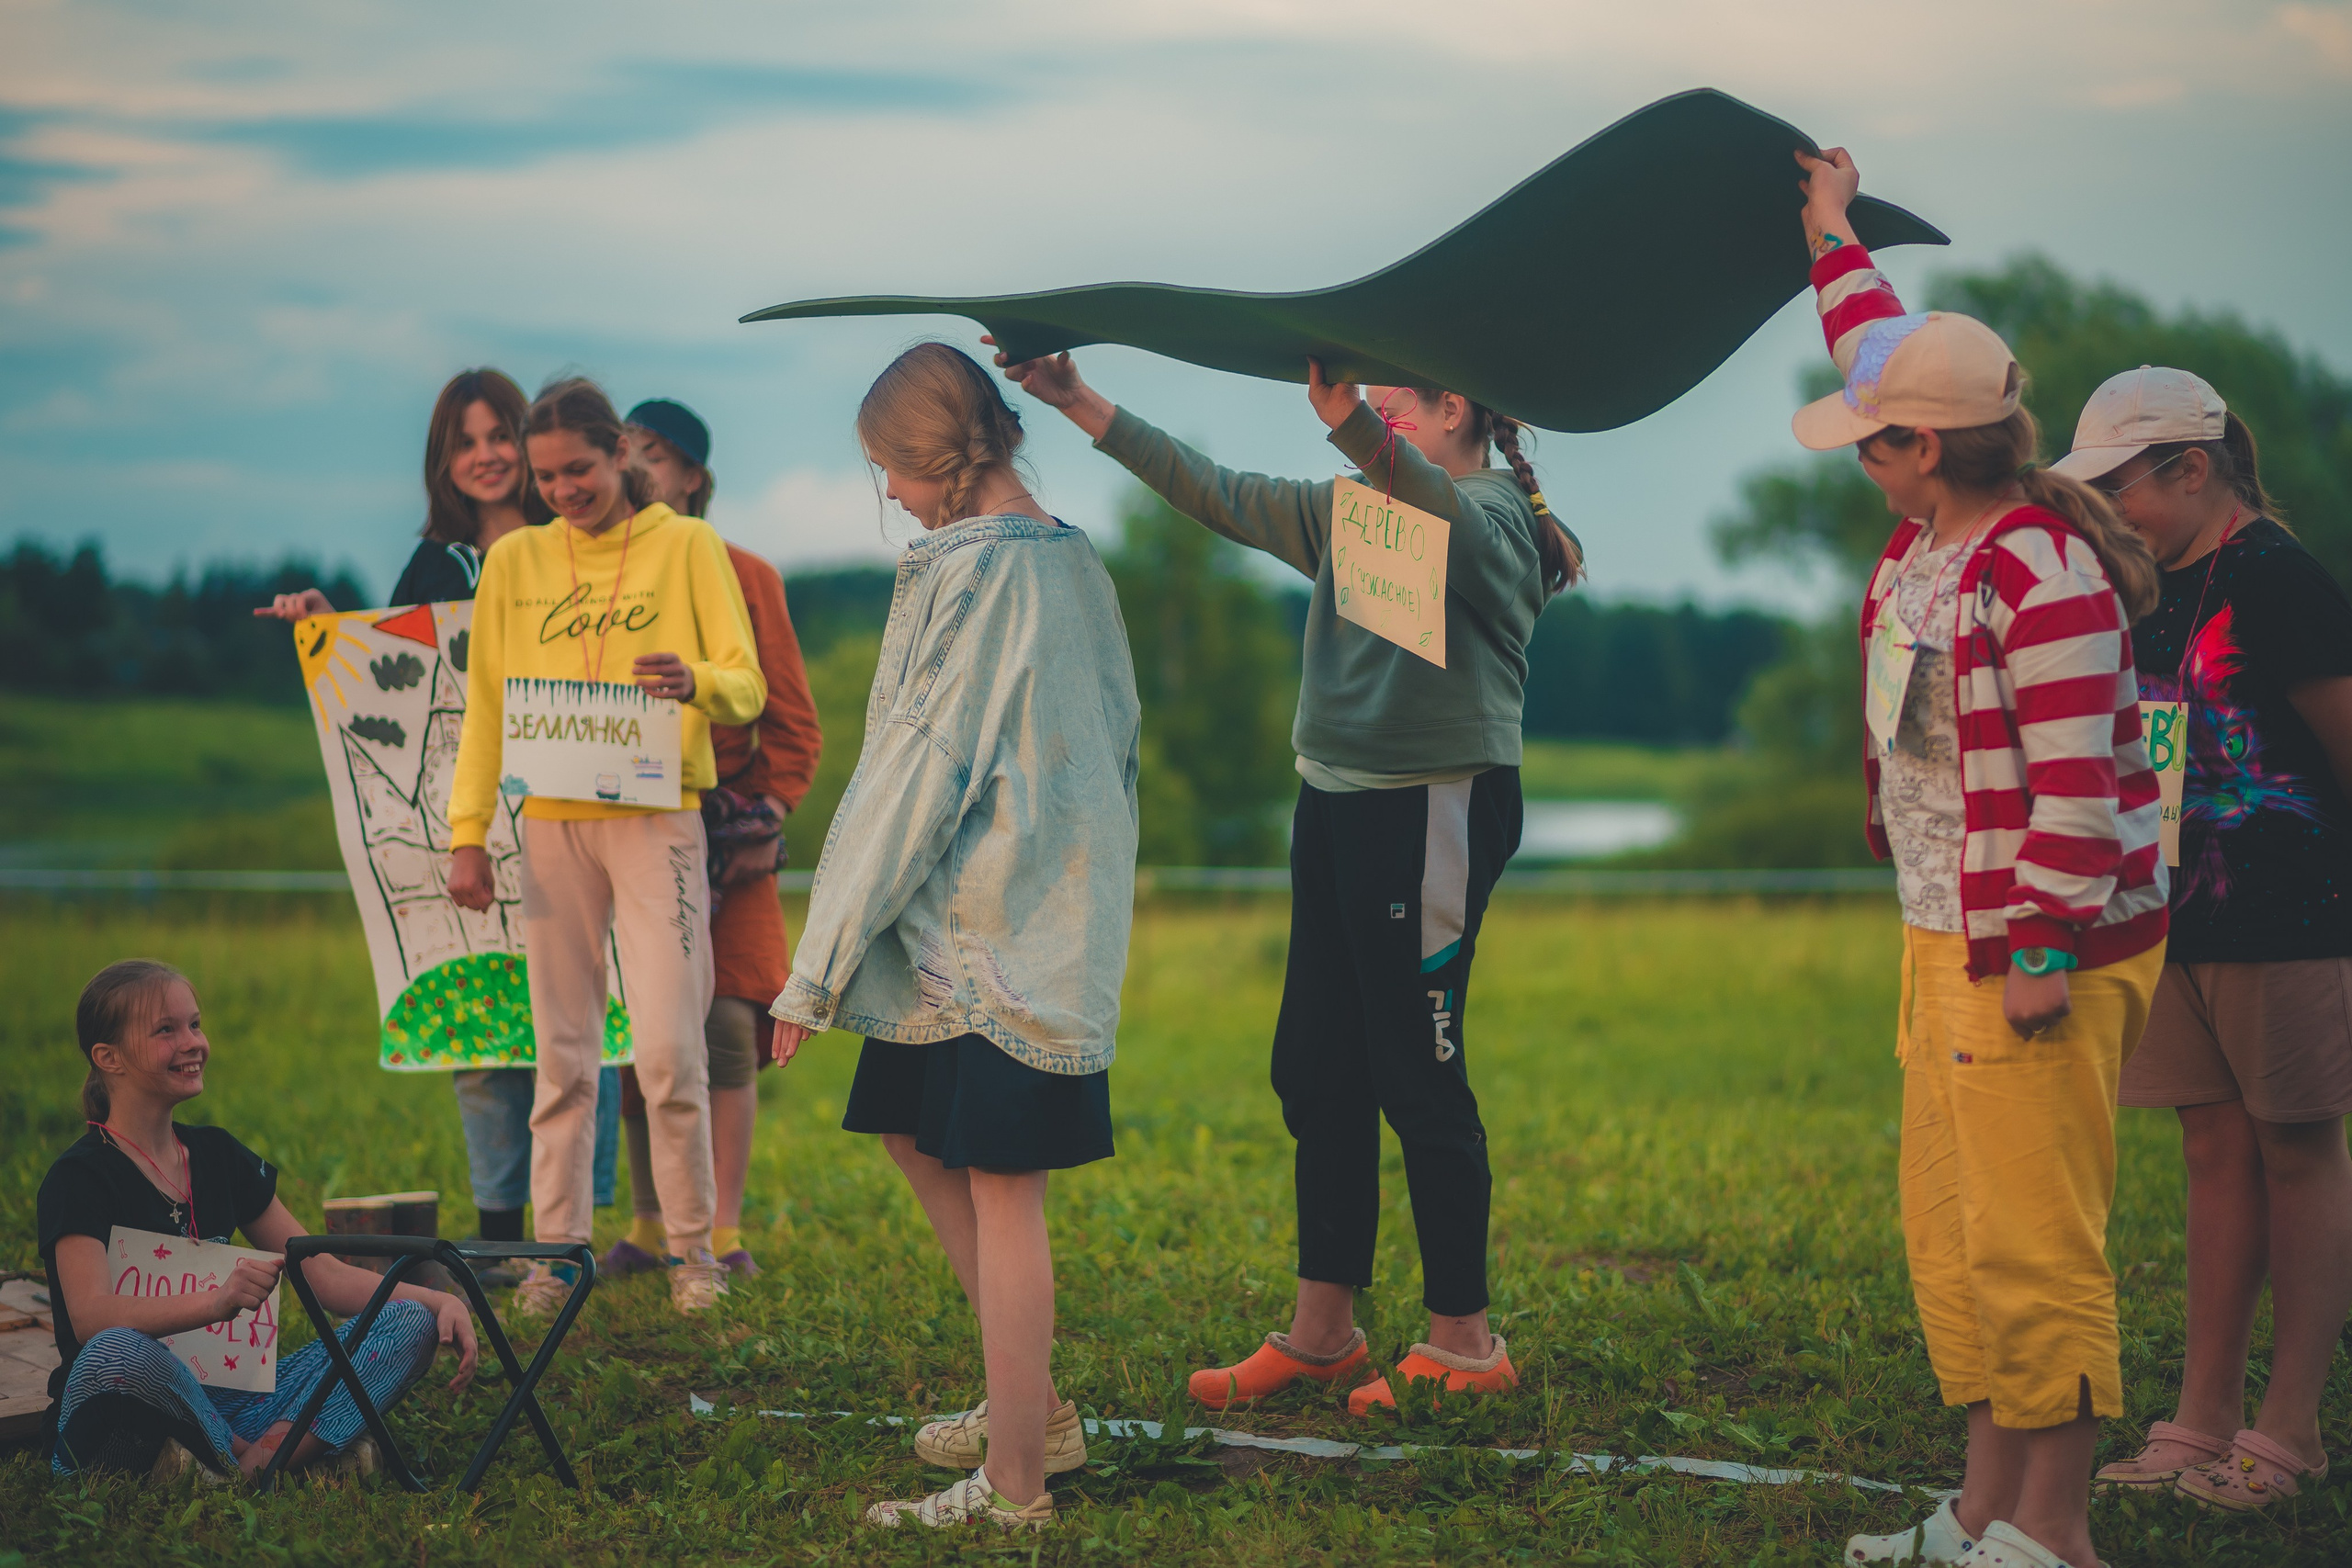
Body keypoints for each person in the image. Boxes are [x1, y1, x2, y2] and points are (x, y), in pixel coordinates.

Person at [997, 327, 1581, 1418]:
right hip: (1336, 806)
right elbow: (1212, 489)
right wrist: (1080, 403)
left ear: (1453, 409)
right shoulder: (1350, 511)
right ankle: (1324, 1335)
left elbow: (1449, 532)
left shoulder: (1496, 516)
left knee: (1419, 1072)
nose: (1376, 417)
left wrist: (1353, 426)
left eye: (1394, 404)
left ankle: (1465, 1344)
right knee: (1316, 1070)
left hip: (1434, 809)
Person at [1794, 149, 2169, 1568]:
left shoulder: (2035, 565)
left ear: (1929, 448)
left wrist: (2044, 949)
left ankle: (2057, 1533)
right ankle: (1979, 1514)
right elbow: (1885, 352)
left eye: (1872, 440)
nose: (1858, 452)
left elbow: (2078, 779)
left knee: (2034, 1237)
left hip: (2033, 948)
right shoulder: (1931, 532)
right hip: (1942, 932)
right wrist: (1831, 232)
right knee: (1957, 1236)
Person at [769, 343, 1139, 1530]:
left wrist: (811, 969)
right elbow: (1123, 734)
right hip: (979, 933)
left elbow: (910, 778)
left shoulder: (972, 574)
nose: (885, 491)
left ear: (929, 456)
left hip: (1001, 934)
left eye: (886, 465)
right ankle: (1026, 1396)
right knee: (914, 1139)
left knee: (1002, 1186)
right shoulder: (1074, 556)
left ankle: (1018, 1486)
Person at [2052, 369, 2352, 1511]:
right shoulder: (2144, 587)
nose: (2107, 507)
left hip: (2288, 919)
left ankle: (2289, 1436)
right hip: (2168, 922)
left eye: (2120, 484)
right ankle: (2202, 1420)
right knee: (2211, 1154)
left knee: (2298, 1153)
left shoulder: (2280, 582)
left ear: (2192, 468)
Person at [254, 368, 621, 1274]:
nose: (487, 455)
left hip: (572, 811)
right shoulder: (433, 568)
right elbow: (400, 675)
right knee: (486, 1029)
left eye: (500, 435)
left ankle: (573, 1231)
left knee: (579, 1020)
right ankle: (502, 1242)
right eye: (467, 441)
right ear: (442, 460)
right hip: (461, 828)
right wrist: (329, 628)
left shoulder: (573, 546)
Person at [446, 376, 765, 1317]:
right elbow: (486, 711)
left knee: (669, 1045)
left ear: (619, 454)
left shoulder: (689, 545)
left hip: (658, 816)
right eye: (545, 477)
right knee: (563, 1051)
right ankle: (557, 1257)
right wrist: (469, 836)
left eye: (578, 470)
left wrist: (695, 679)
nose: (561, 491)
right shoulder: (514, 563)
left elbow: (746, 689)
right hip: (551, 823)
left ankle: (691, 1253)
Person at [40, 960, 479, 1483]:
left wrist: (439, 1301)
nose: (192, 1042)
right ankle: (284, 1460)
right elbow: (91, 1319)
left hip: (244, 1399)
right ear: (108, 1058)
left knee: (408, 1321)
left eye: (195, 1024)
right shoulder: (80, 1177)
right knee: (114, 1349)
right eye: (166, 1030)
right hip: (135, 1393)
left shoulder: (218, 1156)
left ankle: (241, 1465)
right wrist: (216, 1302)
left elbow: (325, 1276)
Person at [602, 397, 822, 1280]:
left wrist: (763, 819)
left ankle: (723, 1230)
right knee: (637, 1031)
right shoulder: (598, 576)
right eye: (622, 452)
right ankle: (651, 1223)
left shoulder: (744, 571)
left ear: (692, 473)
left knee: (727, 1023)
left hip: (728, 834)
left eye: (650, 453)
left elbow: (794, 722)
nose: (636, 469)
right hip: (621, 823)